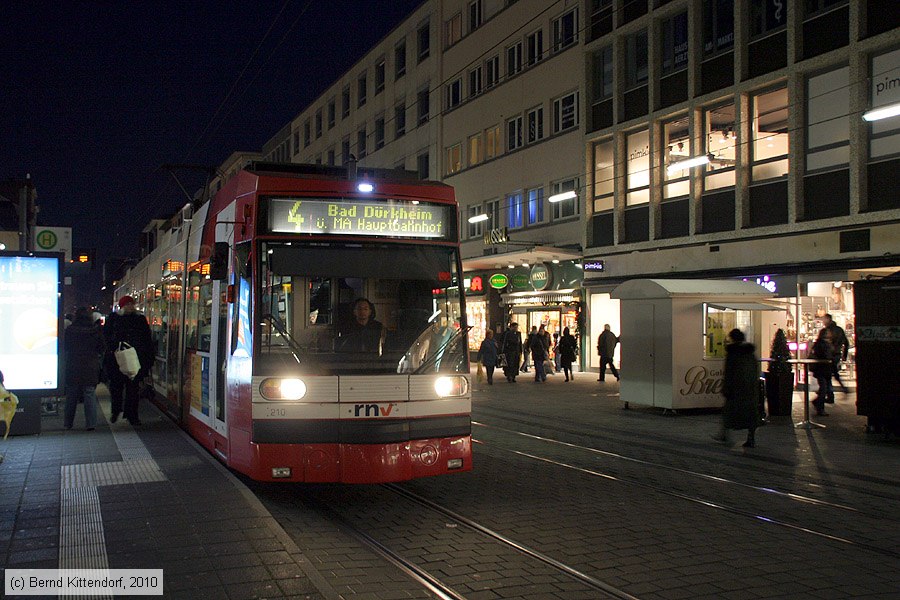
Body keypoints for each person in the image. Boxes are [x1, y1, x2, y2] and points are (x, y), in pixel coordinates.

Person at [103, 295, 153, 426]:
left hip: (134, 360)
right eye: (127, 304)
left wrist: (147, 359)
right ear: (122, 306)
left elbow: (147, 340)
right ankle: (116, 410)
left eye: (132, 304)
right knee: (116, 387)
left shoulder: (140, 319)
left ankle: (132, 415)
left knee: (133, 389)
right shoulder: (114, 318)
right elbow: (106, 337)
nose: (130, 307)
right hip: (117, 359)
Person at [713, 329, 760, 448]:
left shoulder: (732, 353)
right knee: (750, 414)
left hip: (735, 389)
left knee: (728, 412)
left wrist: (726, 388)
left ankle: (724, 434)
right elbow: (755, 371)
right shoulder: (750, 353)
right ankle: (751, 438)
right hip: (749, 389)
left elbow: (729, 372)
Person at [64, 307, 104, 431]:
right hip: (90, 365)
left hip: (73, 364)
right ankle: (91, 424)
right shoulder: (95, 330)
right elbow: (102, 347)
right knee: (89, 393)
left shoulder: (70, 330)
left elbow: (66, 346)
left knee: (71, 395)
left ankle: (68, 424)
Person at [821, 314, 849, 394]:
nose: (823, 321)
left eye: (824, 319)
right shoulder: (839, 330)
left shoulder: (827, 331)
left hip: (829, 355)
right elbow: (846, 343)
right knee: (831, 373)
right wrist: (844, 355)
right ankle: (832, 392)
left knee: (829, 374)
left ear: (828, 319)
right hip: (836, 354)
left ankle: (830, 393)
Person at [810, 329, 834, 416]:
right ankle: (820, 407)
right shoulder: (823, 344)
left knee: (824, 388)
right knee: (824, 389)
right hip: (822, 369)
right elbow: (826, 355)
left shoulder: (822, 343)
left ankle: (818, 403)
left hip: (823, 369)